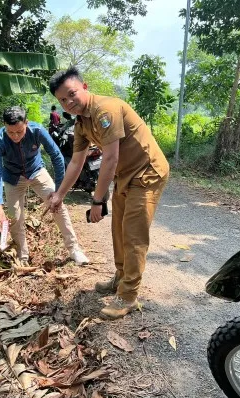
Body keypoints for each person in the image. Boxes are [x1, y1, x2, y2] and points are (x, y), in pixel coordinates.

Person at [47, 67, 169, 319]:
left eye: (72, 94)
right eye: (62, 100)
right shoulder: (81, 124)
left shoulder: (105, 110)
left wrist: (97, 199)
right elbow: (76, 163)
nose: (69, 102)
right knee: (118, 230)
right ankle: (121, 277)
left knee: (133, 234)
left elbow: (110, 159)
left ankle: (128, 295)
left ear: (85, 87)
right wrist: (59, 194)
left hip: (147, 173)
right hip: (126, 176)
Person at [0, 106, 89, 266]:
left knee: (58, 206)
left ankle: (74, 250)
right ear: (4, 126)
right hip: (12, 178)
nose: (15, 136)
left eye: (19, 132)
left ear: (26, 123)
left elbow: (56, 156)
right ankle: (23, 257)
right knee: (15, 218)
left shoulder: (37, 130)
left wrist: (59, 192)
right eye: (11, 132)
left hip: (36, 171)